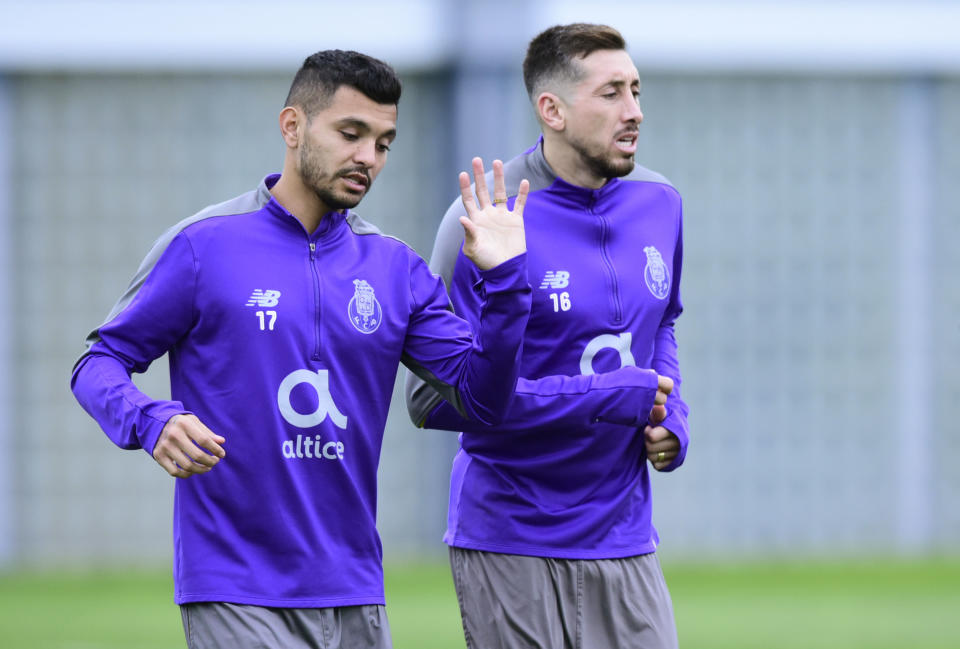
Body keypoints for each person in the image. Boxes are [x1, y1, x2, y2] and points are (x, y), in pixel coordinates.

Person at [71, 49, 534, 649]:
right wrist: (151, 418)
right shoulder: (203, 247)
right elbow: (97, 362)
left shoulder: (395, 269)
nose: (368, 157)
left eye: (384, 143)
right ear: (292, 127)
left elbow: (485, 399)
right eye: (351, 133)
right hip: (235, 586)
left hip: (356, 590)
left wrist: (505, 283)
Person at [405, 24, 689, 649]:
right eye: (611, 92)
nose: (635, 111)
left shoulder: (661, 202)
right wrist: (605, 397)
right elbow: (430, 401)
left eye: (636, 90)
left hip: (626, 539)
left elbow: (661, 322)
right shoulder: (484, 220)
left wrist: (674, 416)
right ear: (552, 109)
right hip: (510, 539)